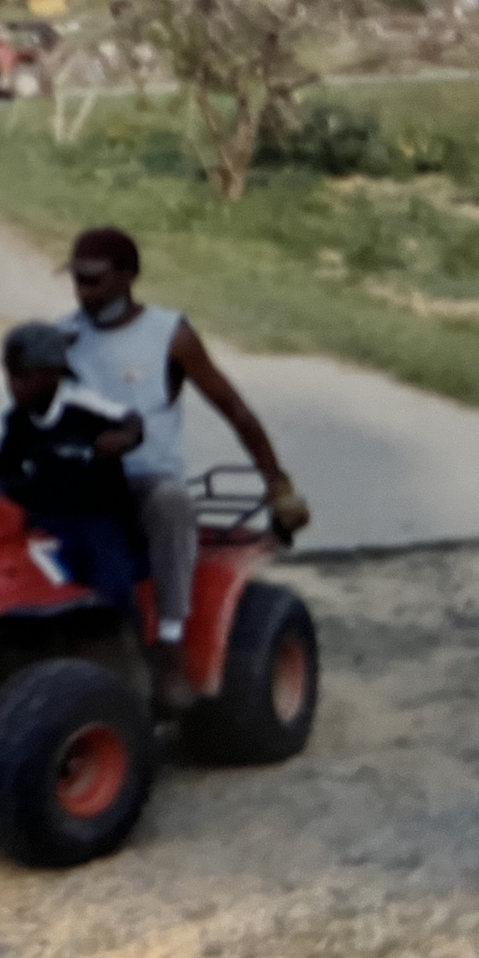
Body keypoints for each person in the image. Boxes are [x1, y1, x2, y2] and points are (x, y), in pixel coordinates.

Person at [61, 227, 312, 711]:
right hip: (81, 477)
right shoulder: (64, 336)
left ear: (129, 275)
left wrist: (277, 484)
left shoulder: (168, 334)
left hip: (143, 477)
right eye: (77, 280)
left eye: (94, 280)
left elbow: (234, 409)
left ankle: (171, 642)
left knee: (172, 502)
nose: (83, 292)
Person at [0, 322, 147, 612]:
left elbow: (131, 419)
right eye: (11, 377)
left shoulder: (82, 405)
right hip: (45, 516)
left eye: (24, 377)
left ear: (53, 374)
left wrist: (125, 437)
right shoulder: (17, 420)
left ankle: (121, 636)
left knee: (107, 572)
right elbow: (7, 464)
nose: (15, 386)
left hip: (96, 515)